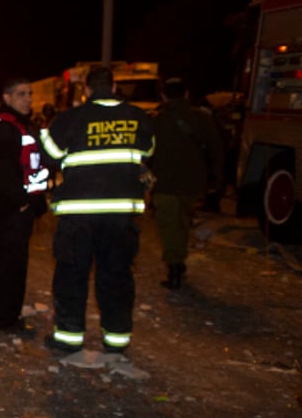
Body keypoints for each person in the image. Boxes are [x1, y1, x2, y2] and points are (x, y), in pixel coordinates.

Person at [40, 66, 155, 355]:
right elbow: (149, 151)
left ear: (87, 90)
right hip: (120, 215)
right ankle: (116, 339)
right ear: (114, 87)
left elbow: (50, 155)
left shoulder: (71, 118)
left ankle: (69, 337)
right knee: (116, 275)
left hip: (79, 213)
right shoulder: (137, 117)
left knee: (72, 274)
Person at [0, 80, 49, 335]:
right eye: (21, 94)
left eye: (29, 94)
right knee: (12, 263)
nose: (28, 99)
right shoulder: (7, 128)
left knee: (7, 261)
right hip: (13, 208)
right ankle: (5, 318)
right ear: (7, 97)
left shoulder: (16, 124)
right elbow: (4, 170)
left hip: (15, 205)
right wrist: (22, 202)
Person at [149, 78, 223, 289]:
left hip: (166, 183)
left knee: (170, 226)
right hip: (193, 184)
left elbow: (147, 154)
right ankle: (178, 260)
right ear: (187, 94)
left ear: (163, 96)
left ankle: (175, 266)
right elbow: (216, 151)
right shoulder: (203, 118)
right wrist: (216, 179)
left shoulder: (157, 121)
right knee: (181, 221)